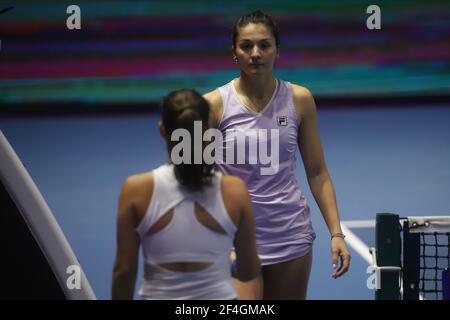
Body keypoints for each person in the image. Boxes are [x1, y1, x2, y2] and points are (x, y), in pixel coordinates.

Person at [203, 10, 351, 300]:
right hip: (233, 238)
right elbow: (196, 180)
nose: (255, 53)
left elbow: (318, 172)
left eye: (264, 45)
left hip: (290, 234)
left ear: (277, 51)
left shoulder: (300, 99)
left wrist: (336, 233)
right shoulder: (212, 106)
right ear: (234, 53)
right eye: (246, 46)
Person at [111, 89, 260, 300]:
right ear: (207, 132)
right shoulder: (235, 190)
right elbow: (249, 271)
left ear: (163, 130)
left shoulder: (134, 189)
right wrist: (231, 260)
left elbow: (124, 272)